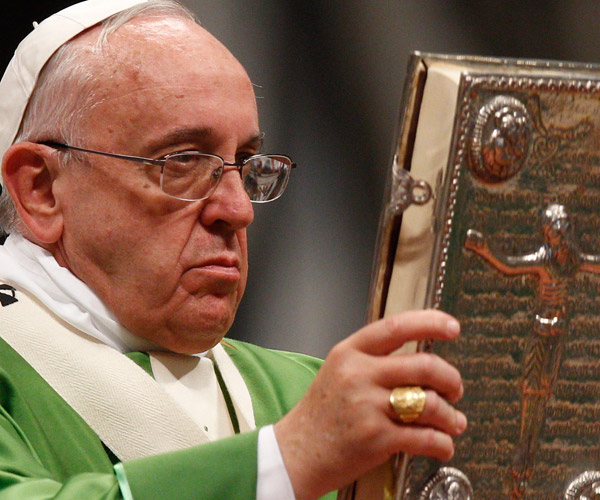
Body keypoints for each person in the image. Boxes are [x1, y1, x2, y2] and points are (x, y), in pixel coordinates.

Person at [0, 1, 467, 499]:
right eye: (182, 162)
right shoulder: (312, 430)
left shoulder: (309, 392)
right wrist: (285, 462)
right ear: (42, 189)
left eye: (244, 162)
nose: (238, 209)